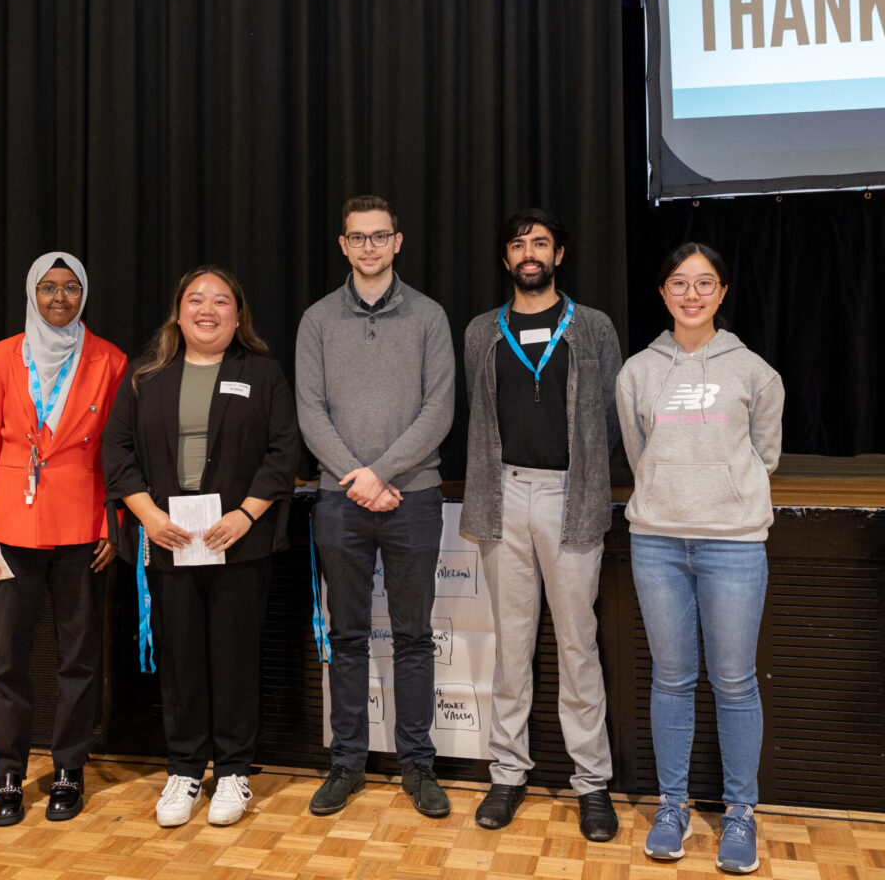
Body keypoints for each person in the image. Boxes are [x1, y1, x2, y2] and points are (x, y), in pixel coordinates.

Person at [102, 266, 299, 828]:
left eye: (220, 301)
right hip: (170, 542)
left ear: (238, 316)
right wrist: (148, 518)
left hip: (240, 542)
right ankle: (185, 770)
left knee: (235, 659)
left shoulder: (261, 373)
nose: (207, 309)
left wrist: (245, 515)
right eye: (196, 299)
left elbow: (284, 452)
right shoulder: (146, 374)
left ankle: (234, 770)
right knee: (182, 661)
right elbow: (116, 452)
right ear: (179, 310)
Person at [616, 242, 783, 875]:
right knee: (671, 679)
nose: (692, 294)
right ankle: (672, 806)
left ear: (722, 292)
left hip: (733, 544)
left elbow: (764, 457)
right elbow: (638, 454)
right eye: (679, 284)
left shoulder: (755, 373)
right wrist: (671, 494)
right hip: (656, 542)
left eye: (704, 283)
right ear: (663, 293)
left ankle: (741, 813)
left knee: (735, 683)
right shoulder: (637, 372)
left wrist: (719, 494)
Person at [460, 209, 622, 839]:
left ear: (560, 255)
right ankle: (507, 774)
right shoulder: (482, 332)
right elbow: (477, 417)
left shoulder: (593, 328)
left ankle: (592, 783)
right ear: (506, 260)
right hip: (502, 498)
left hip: (569, 499)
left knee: (579, 645)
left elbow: (611, 413)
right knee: (512, 645)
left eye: (542, 244)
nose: (530, 253)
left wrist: (576, 475)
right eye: (519, 245)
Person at [296, 195, 455, 818]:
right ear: (343, 245)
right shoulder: (316, 321)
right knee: (348, 636)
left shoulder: (429, 317)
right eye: (357, 237)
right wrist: (356, 478)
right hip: (340, 501)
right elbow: (311, 412)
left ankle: (417, 766)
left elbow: (438, 409)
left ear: (397, 242)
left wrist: (381, 474)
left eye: (378, 236)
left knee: (415, 638)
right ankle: (347, 765)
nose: (368, 246)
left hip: (412, 497)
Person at [0, 252, 127, 826]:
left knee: (79, 658)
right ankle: (8, 775)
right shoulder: (0, 357)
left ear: (85, 295)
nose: (60, 298)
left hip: (83, 528)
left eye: (71, 288)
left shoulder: (110, 359)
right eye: (49, 288)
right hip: (9, 530)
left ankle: (68, 770)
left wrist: (114, 521)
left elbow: (118, 450)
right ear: (33, 293)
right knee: (6, 659)